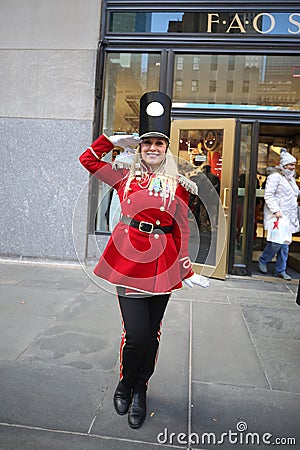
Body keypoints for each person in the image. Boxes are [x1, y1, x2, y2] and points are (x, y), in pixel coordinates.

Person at [79, 91, 208, 429]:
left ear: (166, 149)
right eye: (147, 142)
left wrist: (186, 268)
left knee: (151, 334)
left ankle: (140, 389)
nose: (153, 147)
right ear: (140, 147)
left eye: (159, 143)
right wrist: (109, 140)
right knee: (135, 334)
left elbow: (182, 229)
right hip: (129, 259)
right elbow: (88, 160)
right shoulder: (124, 177)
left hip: (162, 263)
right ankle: (125, 382)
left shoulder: (179, 186)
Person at [258, 148, 299, 280]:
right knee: (277, 242)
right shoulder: (274, 177)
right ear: (284, 165)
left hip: (288, 216)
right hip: (278, 215)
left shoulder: (291, 179)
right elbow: (268, 195)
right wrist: (276, 210)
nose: (293, 167)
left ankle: (280, 269)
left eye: (294, 165)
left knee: (285, 244)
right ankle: (264, 260)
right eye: (291, 165)